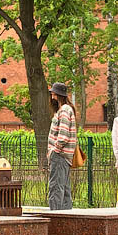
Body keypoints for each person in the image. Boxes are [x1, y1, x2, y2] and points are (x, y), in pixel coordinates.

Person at [46, 82, 77, 210]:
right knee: (64, 187)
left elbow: (63, 136)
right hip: (64, 156)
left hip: (60, 155)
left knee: (55, 187)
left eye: (53, 93)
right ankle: (66, 216)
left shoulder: (64, 110)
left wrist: (54, 151)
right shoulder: (66, 109)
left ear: (58, 95)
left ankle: (55, 216)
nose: (52, 95)